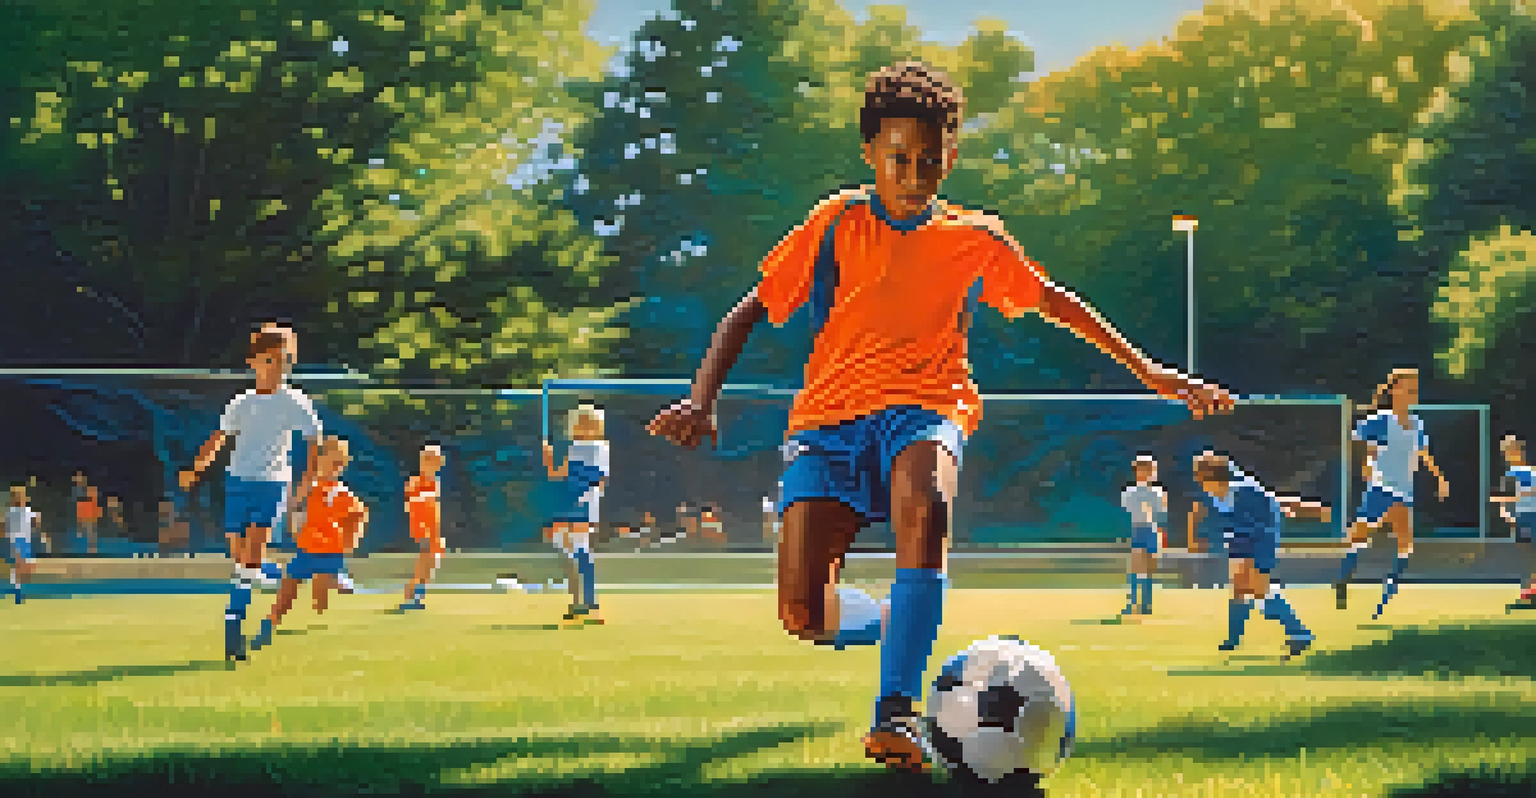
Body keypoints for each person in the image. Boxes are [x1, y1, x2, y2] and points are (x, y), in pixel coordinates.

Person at [646, 60, 1232, 774]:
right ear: (870, 153)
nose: (915, 175)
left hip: (927, 407)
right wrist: (700, 399)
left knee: (924, 503)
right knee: (802, 613)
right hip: (828, 424)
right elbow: (748, 312)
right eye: (899, 159)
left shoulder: (975, 238)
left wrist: (1149, 370)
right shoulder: (834, 224)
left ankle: (896, 713)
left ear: (950, 156)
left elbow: (1056, 301)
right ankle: (895, 623)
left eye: (931, 161)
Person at [180, 322, 323, 661]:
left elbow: (314, 445)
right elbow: (218, 440)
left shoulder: (296, 403)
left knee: (252, 550)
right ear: (254, 362)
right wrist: (196, 468)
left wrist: (302, 489)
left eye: (285, 361)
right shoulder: (240, 403)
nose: (279, 367)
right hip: (237, 482)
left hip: (272, 484)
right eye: (271, 360)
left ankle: (234, 623)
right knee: (240, 555)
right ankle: (266, 572)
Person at [1334, 368, 1449, 619]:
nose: (1413, 394)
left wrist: (1439, 477)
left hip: (1404, 488)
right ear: (1395, 390)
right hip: (1382, 486)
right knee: (1362, 535)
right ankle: (1344, 578)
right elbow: (1361, 441)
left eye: (1415, 390)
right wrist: (1366, 462)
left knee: (1405, 543)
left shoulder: (1417, 423)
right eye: (1409, 388)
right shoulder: (1382, 419)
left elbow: (1423, 452)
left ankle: (1387, 591)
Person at [1188, 452, 1329, 658]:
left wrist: (1303, 508)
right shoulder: (1214, 493)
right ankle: (1233, 639)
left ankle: (1299, 633)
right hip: (1239, 538)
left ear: (1212, 476)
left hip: (1262, 537)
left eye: (1200, 476)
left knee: (1258, 587)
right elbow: (1206, 512)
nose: (1198, 481)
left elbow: (1271, 507)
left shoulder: (1245, 490)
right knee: (1238, 587)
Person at [250, 435, 367, 653]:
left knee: (320, 595)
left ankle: (324, 603)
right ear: (320, 461)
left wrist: (353, 539)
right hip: (306, 550)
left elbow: (358, 516)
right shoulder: (309, 487)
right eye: (331, 462)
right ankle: (270, 622)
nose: (335, 467)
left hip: (332, 552)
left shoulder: (344, 494)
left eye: (339, 463)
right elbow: (293, 506)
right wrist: (295, 515)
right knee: (287, 591)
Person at [542, 402, 610, 625]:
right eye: (579, 424)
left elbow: (596, 478)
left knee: (581, 549)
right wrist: (549, 459)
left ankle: (590, 604)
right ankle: (576, 602)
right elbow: (556, 475)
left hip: (584, 502)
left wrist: (579, 487)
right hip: (568, 501)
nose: (582, 429)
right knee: (566, 550)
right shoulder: (572, 448)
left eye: (587, 424)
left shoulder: (599, 448)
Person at [401, 443, 446, 611]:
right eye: (430, 459)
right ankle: (413, 596)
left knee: (432, 562)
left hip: (433, 528)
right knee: (424, 562)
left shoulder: (435, 482)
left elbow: (433, 507)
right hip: (423, 528)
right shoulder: (415, 482)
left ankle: (417, 594)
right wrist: (422, 531)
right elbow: (413, 507)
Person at [1120, 454, 1167, 616]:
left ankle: (1146, 604)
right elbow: (1128, 512)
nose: (1149, 472)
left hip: (1152, 529)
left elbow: (1161, 513)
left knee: (1149, 568)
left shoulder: (1158, 491)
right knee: (1135, 566)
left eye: (1151, 469)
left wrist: (1160, 532)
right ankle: (1132, 603)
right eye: (1145, 469)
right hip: (1138, 529)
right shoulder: (1130, 491)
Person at [1492, 435, 1536, 609]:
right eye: (1506, 450)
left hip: (1531, 515)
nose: (1508, 453)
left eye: (1511, 448)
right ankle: (1527, 593)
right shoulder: (1509, 475)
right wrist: (1506, 514)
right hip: (1522, 517)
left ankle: (1530, 592)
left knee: (1531, 555)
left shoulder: (1531, 472)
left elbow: (1522, 494)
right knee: (1525, 555)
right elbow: (1506, 499)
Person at [3, 485, 41, 604]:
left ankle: (18, 589)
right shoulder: (16, 512)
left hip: (23, 541)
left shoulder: (22, 511)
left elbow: (36, 519)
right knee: (19, 566)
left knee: (24, 567)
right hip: (17, 540)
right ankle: (18, 591)